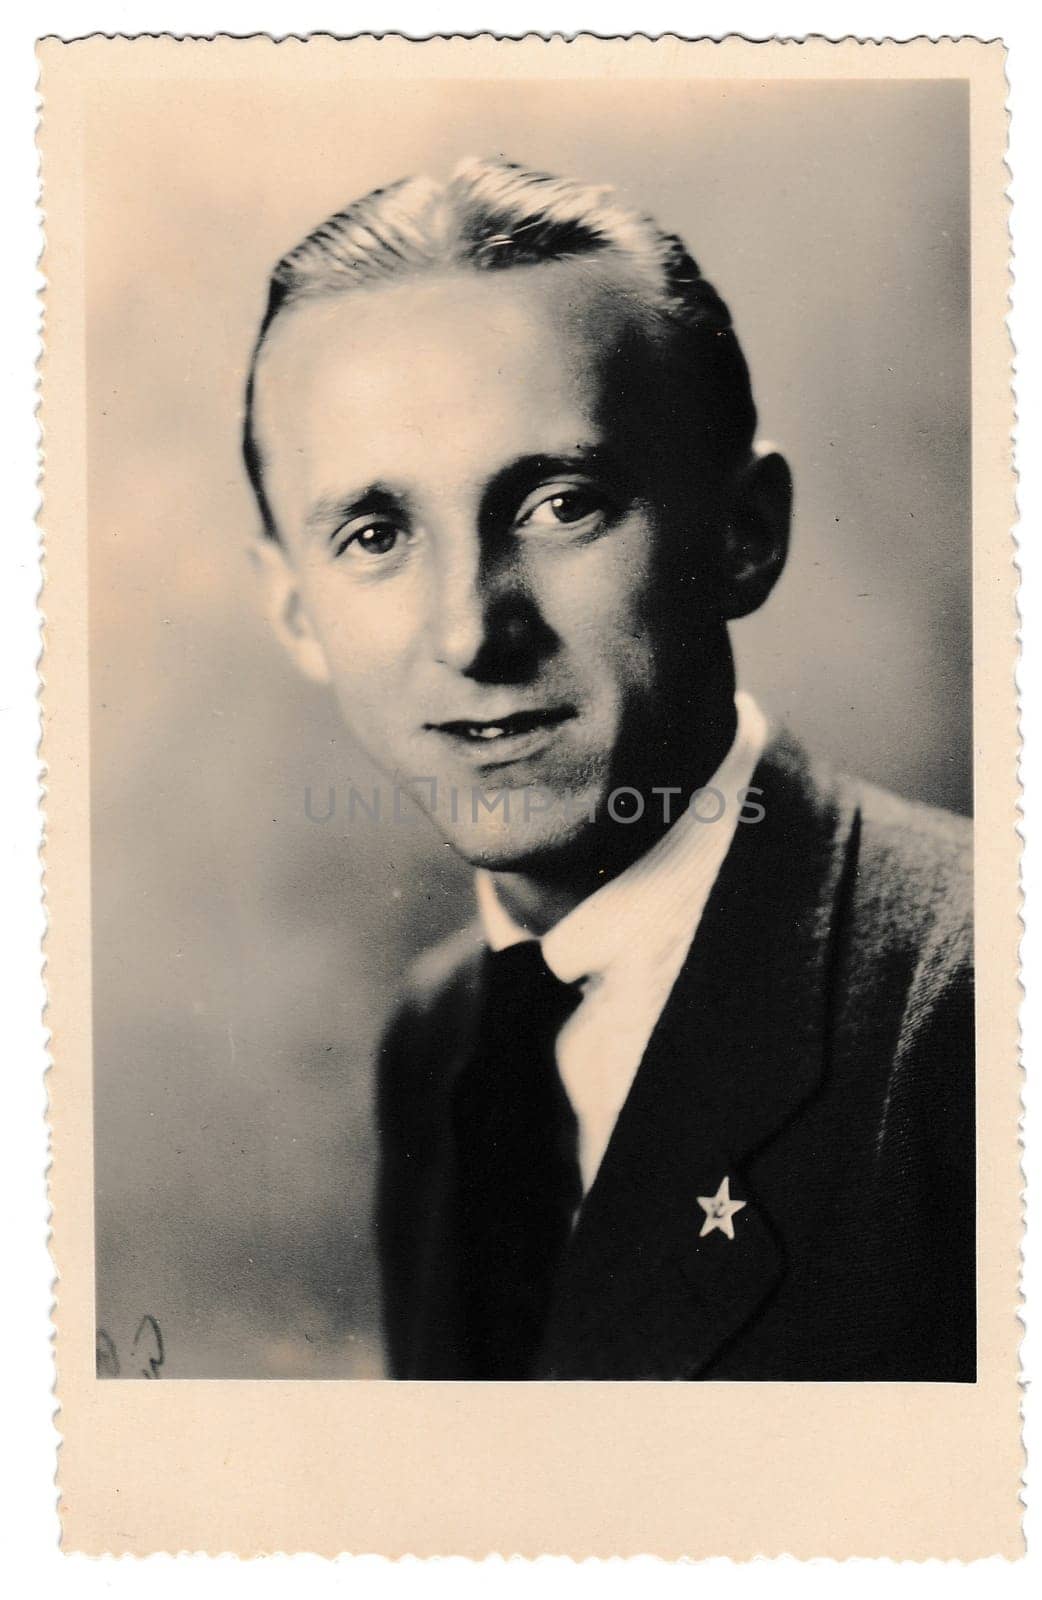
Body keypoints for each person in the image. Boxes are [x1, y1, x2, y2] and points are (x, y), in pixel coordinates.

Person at [242, 157, 974, 1381]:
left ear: (746, 533)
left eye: (561, 505)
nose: (474, 632)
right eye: (375, 535)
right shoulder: (441, 1039)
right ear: (296, 612)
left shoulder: (981, 1002)